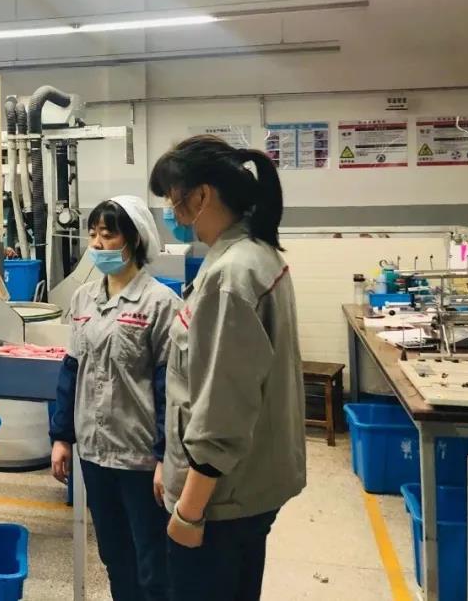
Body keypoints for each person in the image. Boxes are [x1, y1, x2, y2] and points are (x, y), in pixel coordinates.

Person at [149, 135, 306, 601]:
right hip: (246, 487)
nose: (173, 213)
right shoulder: (255, 255)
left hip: (220, 502)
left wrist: (189, 511)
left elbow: (223, 409)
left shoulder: (230, 277)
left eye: (174, 200)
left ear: (202, 196)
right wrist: (169, 465)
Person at [50, 195, 181, 601]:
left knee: (152, 561)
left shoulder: (161, 303)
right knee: (114, 555)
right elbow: (71, 370)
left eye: (108, 235)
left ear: (134, 240)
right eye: (93, 234)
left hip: (140, 456)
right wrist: (62, 436)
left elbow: (172, 387)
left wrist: (165, 457)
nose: (97, 243)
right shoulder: (83, 299)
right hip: (94, 452)